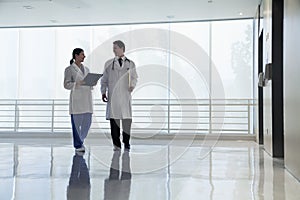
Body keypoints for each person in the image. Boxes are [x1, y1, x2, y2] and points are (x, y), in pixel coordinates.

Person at [101, 40, 138, 151]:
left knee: (127, 121)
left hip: (125, 95)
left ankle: (126, 143)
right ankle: (116, 144)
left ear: (122, 48)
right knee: (114, 122)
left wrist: (132, 85)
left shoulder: (130, 63)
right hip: (113, 96)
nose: (114, 50)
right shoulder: (108, 64)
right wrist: (103, 92)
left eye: (116, 47)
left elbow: (134, 77)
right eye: (113, 48)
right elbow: (104, 80)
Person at [64, 48, 96, 152]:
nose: (84, 56)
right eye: (82, 54)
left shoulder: (86, 69)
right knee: (77, 125)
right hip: (77, 102)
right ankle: (78, 145)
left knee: (87, 123)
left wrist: (92, 83)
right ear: (76, 56)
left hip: (87, 100)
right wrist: (77, 84)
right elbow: (66, 84)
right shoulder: (69, 69)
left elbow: (88, 83)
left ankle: (81, 141)